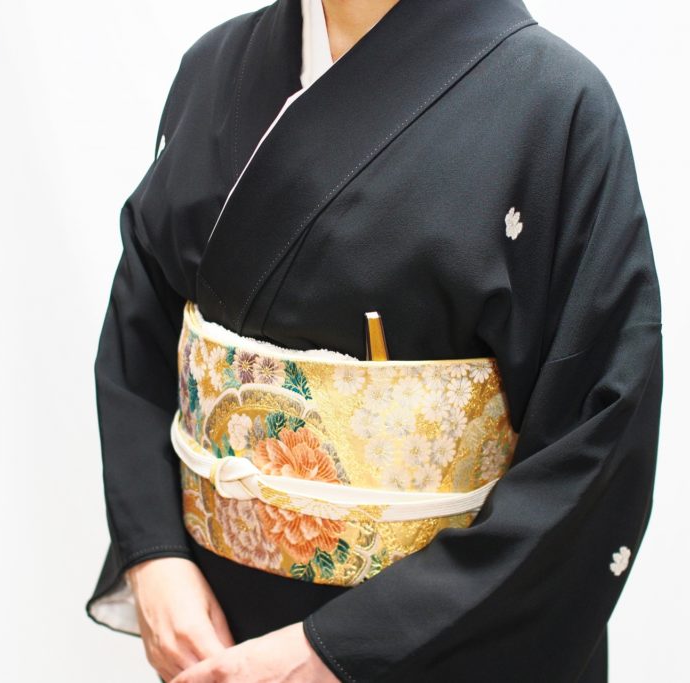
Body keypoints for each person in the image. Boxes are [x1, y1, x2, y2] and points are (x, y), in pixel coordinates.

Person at [85, 0, 664, 681]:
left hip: (427, 642)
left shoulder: (556, 104)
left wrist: (338, 650)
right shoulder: (215, 67)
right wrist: (155, 556)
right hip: (218, 631)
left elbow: (598, 435)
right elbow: (141, 330)